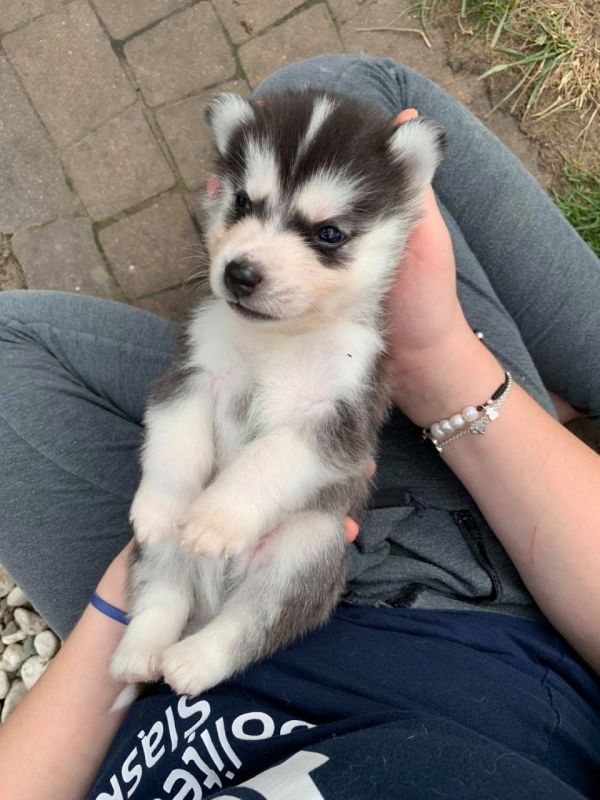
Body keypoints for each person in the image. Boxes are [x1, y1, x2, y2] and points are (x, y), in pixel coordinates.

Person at [0, 53, 599, 799]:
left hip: (184, 672)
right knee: (343, 87)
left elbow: (320, 444)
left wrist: (114, 613)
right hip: (461, 619)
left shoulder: (350, 348)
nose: (249, 258)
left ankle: (199, 631)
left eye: (327, 234)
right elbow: (189, 399)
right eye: (245, 208)